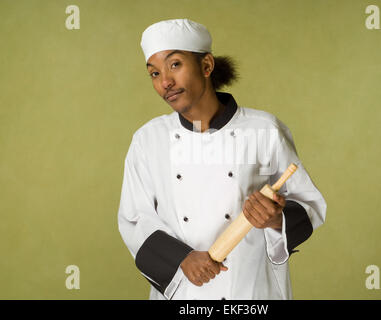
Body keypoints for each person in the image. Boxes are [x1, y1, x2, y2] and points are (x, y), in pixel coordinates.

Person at [117, 18, 327, 300]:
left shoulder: (263, 130)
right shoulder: (148, 140)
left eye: (175, 64)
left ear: (206, 66)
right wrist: (182, 258)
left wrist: (276, 219)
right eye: (154, 73)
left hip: (252, 290)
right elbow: (134, 218)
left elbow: (308, 202)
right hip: (184, 293)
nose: (165, 82)